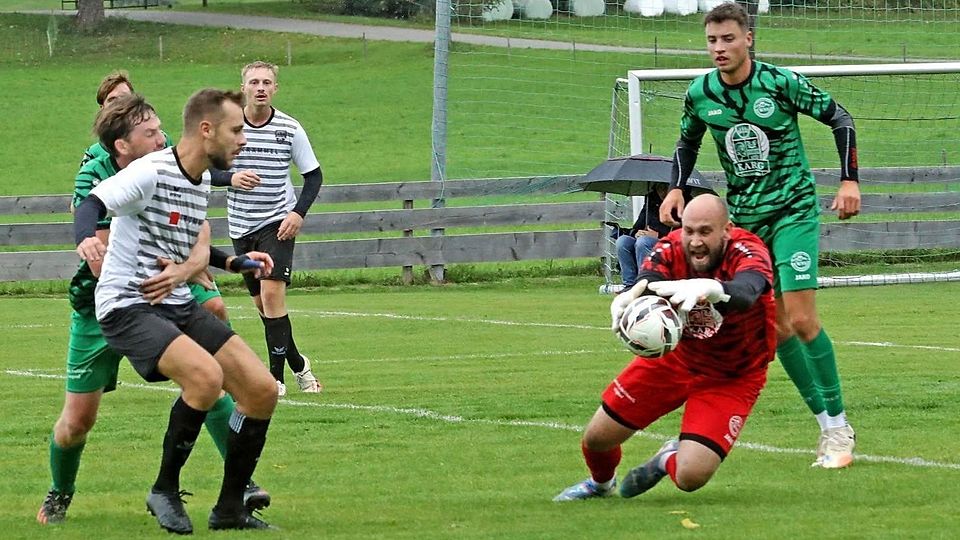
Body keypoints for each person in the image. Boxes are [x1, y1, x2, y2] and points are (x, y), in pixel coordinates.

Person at [37, 94, 272, 526]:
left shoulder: (197, 179)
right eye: (237, 130)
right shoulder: (145, 171)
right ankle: (160, 490)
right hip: (122, 304)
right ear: (207, 130)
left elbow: (183, 242)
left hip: (171, 302)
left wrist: (233, 262)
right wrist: (86, 238)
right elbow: (91, 204)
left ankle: (231, 507)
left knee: (261, 390)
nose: (244, 140)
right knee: (198, 379)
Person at [659, 2, 860, 469]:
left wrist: (849, 180)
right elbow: (687, 142)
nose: (719, 49)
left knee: (804, 319)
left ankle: (838, 429)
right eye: (712, 41)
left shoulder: (780, 83)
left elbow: (840, 118)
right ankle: (826, 425)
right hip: (747, 222)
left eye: (728, 39)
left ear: (748, 38)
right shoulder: (700, 93)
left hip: (792, 211)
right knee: (778, 328)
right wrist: (674, 189)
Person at [555, 194, 777, 501]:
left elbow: (749, 290)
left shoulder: (748, 249)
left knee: (690, 477)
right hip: (676, 361)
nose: (695, 241)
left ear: (726, 230)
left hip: (732, 376)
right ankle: (600, 486)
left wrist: (715, 290)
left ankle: (665, 458)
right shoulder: (671, 247)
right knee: (597, 439)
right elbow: (647, 281)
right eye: (689, 231)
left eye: (705, 231)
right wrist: (629, 299)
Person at [226, 60, 323, 396]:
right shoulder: (229, 127)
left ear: (275, 88)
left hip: (277, 223)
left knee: (271, 294)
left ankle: (275, 380)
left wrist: (297, 213)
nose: (261, 88)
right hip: (241, 227)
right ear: (244, 88)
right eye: (254, 82)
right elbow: (204, 171)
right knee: (263, 306)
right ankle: (299, 364)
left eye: (267, 82)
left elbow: (314, 176)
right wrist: (232, 178)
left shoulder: (289, 128)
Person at [615, 183, 672, 289]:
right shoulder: (651, 201)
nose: (663, 192)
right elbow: (637, 226)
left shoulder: (682, 203)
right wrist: (636, 233)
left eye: (666, 188)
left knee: (643, 242)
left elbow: (683, 232)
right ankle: (629, 285)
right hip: (647, 240)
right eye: (660, 188)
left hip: (668, 244)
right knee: (623, 241)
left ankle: (645, 284)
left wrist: (659, 235)